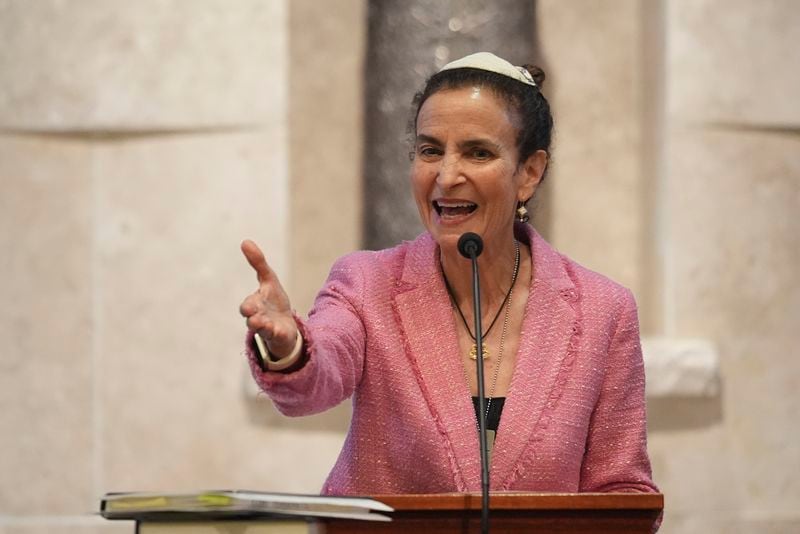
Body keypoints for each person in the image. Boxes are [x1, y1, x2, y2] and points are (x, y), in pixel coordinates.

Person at [239, 52, 658, 496]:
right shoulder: (366, 283)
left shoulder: (602, 310)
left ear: (529, 173)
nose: (446, 176)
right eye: (430, 150)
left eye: (477, 152)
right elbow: (315, 383)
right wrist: (288, 346)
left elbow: (623, 491)